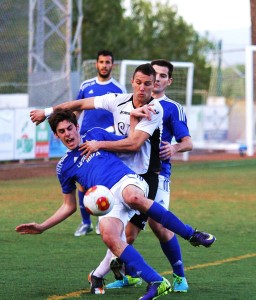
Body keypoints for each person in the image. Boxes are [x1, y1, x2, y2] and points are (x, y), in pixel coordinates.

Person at [30, 63, 216, 293]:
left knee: (157, 226)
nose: (144, 87)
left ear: (160, 83)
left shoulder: (156, 109)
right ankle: (124, 277)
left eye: (151, 82)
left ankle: (185, 256)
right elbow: (78, 104)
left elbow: (133, 143)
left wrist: (172, 146)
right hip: (120, 174)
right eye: (140, 82)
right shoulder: (114, 102)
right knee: (119, 234)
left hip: (148, 174)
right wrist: (47, 111)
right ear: (132, 82)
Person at [105, 59, 192, 292]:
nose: (158, 80)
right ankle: (129, 274)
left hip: (158, 174)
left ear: (168, 81)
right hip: (129, 174)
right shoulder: (132, 101)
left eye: (163, 76)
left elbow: (188, 142)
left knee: (159, 225)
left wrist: (174, 148)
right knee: (126, 231)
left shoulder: (172, 108)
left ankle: (179, 277)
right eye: (156, 75)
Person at [74, 49, 126, 237]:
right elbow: (77, 109)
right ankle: (85, 223)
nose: (104, 65)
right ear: (96, 64)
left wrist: (110, 131)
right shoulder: (86, 85)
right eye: (102, 62)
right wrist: (69, 126)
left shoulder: (118, 89)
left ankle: (101, 220)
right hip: (85, 139)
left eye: (108, 62)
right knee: (82, 182)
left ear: (113, 65)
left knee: (104, 180)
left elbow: (122, 116)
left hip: (105, 142)